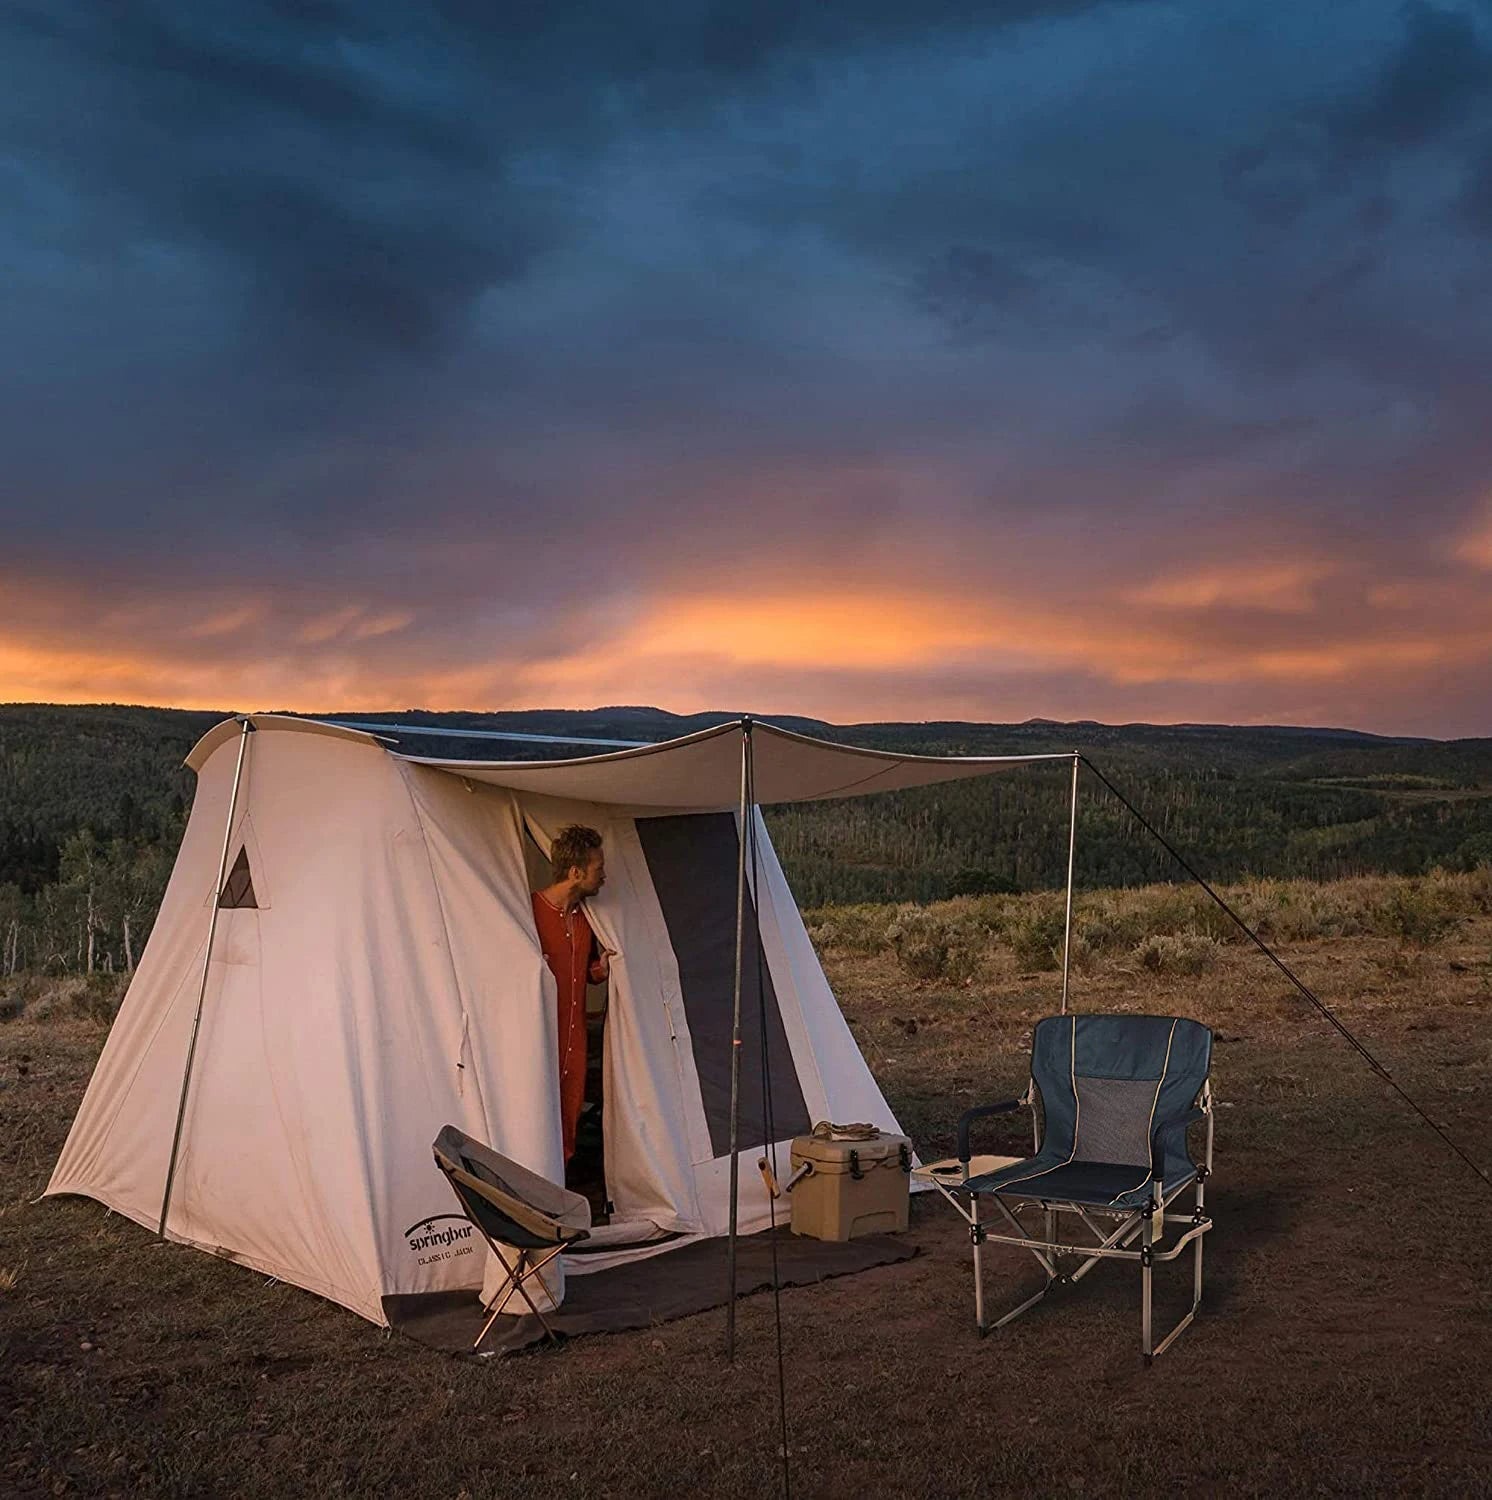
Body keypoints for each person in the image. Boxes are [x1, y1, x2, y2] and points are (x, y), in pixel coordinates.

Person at [531, 824, 612, 1163]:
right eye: (599, 868)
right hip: (541, 1036)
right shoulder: (530, 911)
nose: (604, 876)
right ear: (576, 872)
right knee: (536, 1112)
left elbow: (585, 972)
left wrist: (600, 971)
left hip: (575, 1039)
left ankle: (562, 1178)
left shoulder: (586, 918)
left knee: (570, 1113)